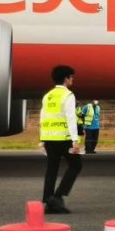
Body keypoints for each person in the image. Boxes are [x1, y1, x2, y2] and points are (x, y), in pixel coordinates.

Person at [40, 65, 81, 214]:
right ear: (66, 78)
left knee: (52, 169)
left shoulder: (48, 96)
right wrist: (75, 141)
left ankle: (48, 200)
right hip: (64, 138)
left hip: (49, 138)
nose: (72, 80)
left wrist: (42, 139)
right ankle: (57, 197)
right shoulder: (68, 96)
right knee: (76, 166)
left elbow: (43, 117)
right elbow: (71, 118)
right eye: (72, 77)